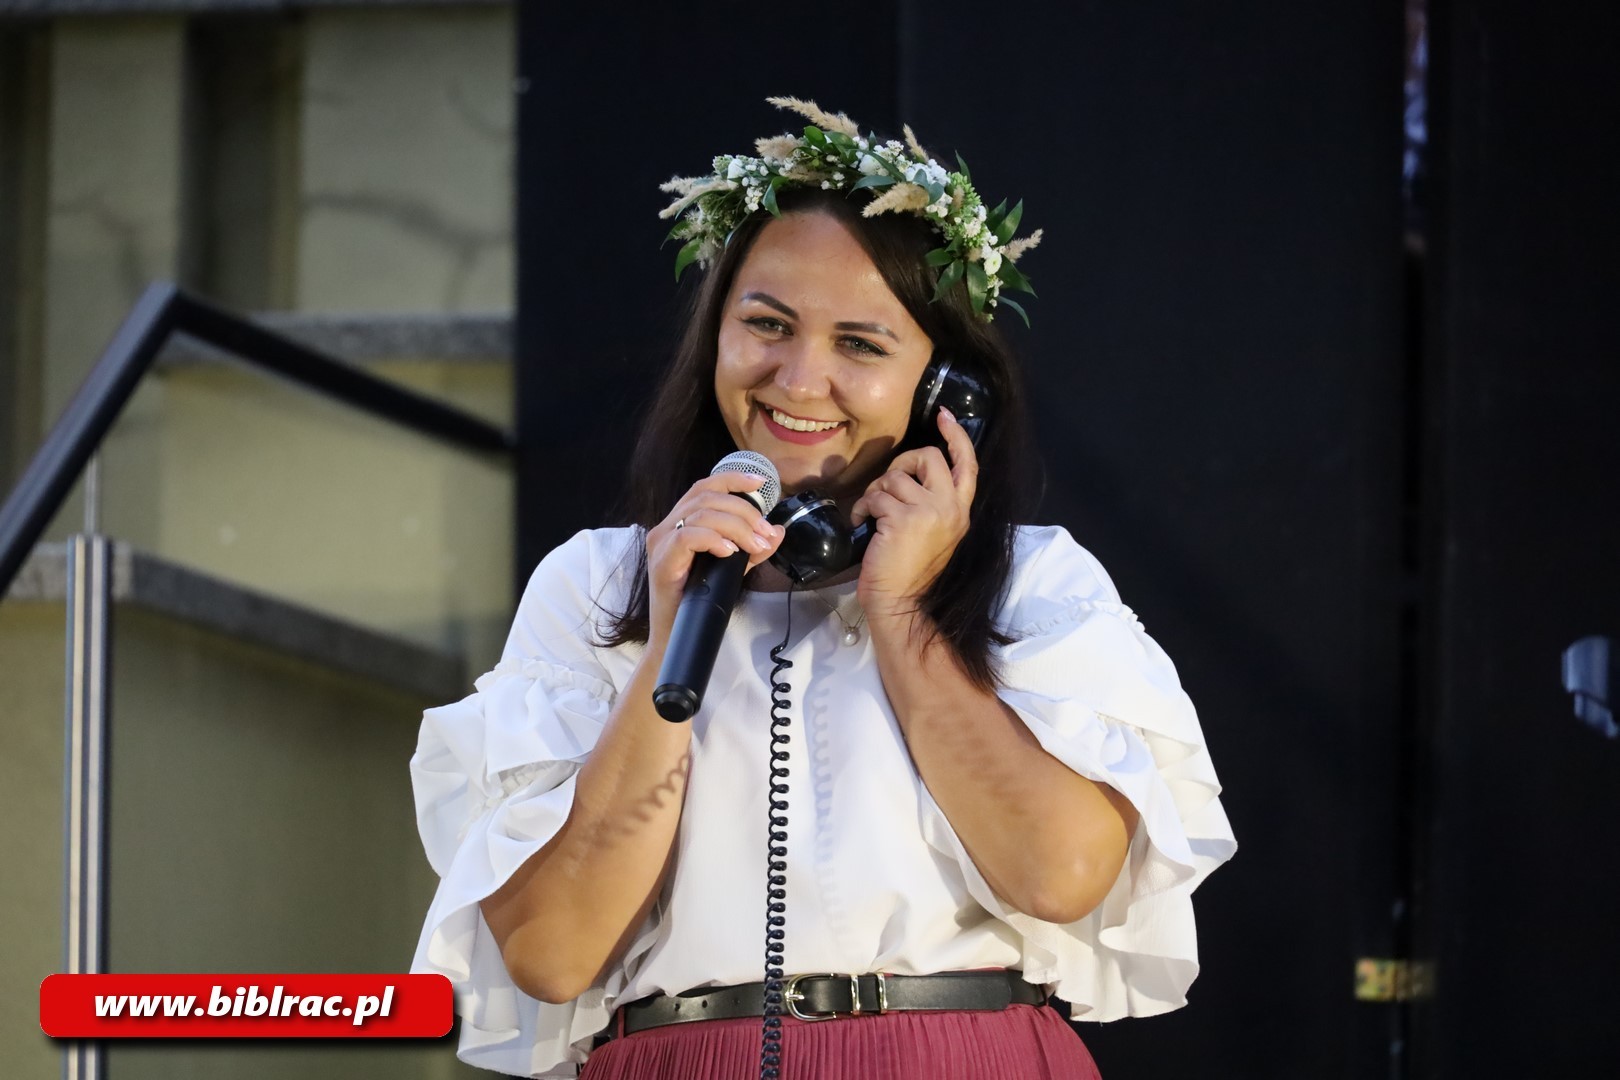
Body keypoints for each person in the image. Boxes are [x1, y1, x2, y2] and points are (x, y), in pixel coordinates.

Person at [409, 97, 1236, 1079]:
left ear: (944, 389)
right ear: (715, 338)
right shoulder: (600, 581)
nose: (799, 381)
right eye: (767, 325)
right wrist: (673, 634)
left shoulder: (1031, 581)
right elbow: (550, 952)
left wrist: (901, 613)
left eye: (860, 344)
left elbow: (1060, 873)